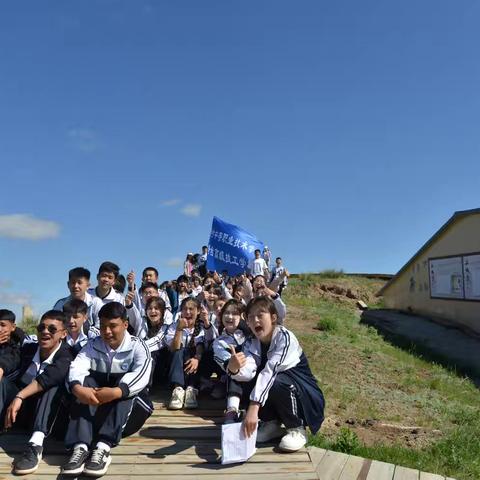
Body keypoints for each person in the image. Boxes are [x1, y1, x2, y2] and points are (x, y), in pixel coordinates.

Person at [62, 302, 152, 477]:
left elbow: (143, 373)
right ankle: (80, 447)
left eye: (113, 326)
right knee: (83, 382)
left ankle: (103, 447)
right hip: (99, 407)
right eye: (103, 326)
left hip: (128, 413)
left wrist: (117, 392)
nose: (107, 331)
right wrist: (78, 388)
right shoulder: (92, 345)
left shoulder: (138, 346)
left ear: (125, 324)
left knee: (126, 388)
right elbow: (77, 366)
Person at [228, 297, 324, 452]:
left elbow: (270, 371)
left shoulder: (285, 338)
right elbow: (249, 371)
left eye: (260, 315)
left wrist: (253, 408)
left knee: (276, 381)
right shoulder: (251, 342)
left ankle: (297, 428)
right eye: (251, 317)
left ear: (273, 318)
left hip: (303, 394)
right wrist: (234, 369)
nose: (255, 320)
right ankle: (271, 423)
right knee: (252, 378)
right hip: (276, 389)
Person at [2, 310, 73, 475]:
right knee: (3, 382)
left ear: (63, 334)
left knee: (53, 386)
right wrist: (1, 367)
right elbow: (11, 358)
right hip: (21, 414)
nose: (45, 332)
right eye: (41, 327)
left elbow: (51, 376)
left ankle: (35, 445)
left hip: (50, 419)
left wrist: (20, 396)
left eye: (52, 329)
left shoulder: (67, 354)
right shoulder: (29, 349)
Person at [212, 300, 250, 422]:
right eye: (226, 313)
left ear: (242, 316)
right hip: (235, 380)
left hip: (254, 379)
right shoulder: (219, 342)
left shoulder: (251, 333)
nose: (229, 316)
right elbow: (225, 363)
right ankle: (231, 410)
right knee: (233, 369)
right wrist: (233, 363)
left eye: (234, 313)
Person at [166, 297, 205, 410]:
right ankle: (178, 389)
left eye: (191, 309)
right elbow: (174, 348)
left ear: (198, 311)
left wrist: (197, 358)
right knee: (180, 350)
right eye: (184, 309)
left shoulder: (202, 327)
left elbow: (200, 346)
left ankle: (190, 390)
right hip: (176, 363)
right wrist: (179, 329)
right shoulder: (173, 326)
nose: (187, 312)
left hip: (195, 365)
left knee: (193, 353)